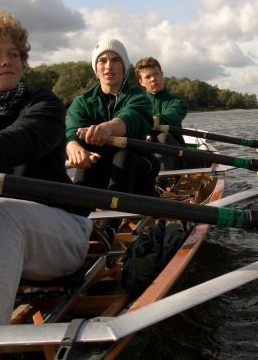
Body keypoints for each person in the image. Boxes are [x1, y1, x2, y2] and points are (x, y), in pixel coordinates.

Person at [0, 9, 93, 360]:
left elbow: (22, 139)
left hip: (63, 234)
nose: (8, 61)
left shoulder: (43, 103)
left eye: (14, 54)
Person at [65, 39, 158, 238]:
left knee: (123, 156)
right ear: (95, 67)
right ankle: (73, 227)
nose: (109, 66)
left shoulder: (138, 97)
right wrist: (73, 148)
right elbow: (71, 133)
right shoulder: (82, 103)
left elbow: (132, 118)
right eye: (102, 61)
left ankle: (107, 229)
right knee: (86, 164)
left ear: (123, 66)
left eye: (115, 60)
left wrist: (107, 128)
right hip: (101, 176)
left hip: (137, 180)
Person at [135, 57, 188, 189]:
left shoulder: (177, 102)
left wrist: (155, 121)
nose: (153, 79)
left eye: (155, 74)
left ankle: (157, 187)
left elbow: (172, 116)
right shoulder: (136, 104)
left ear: (162, 74)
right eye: (147, 77)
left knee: (163, 137)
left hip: (177, 156)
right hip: (147, 155)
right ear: (141, 82)